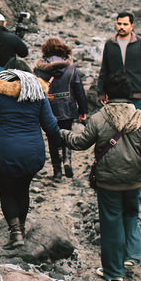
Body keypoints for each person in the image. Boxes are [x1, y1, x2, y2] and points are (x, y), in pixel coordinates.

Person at [62, 71, 141, 281]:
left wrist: (59, 133)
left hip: (108, 182)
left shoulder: (99, 118)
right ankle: (132, 255)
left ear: (106, 97)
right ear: (130, 96)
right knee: (130, 215)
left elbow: (80, 143)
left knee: (111, 223)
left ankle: (114, 271)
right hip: (134, 180)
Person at [0, 61, 61, 249]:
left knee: (7, 191)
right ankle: (20, 228)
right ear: (28, 72)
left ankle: (16, 233)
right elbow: (50, 125)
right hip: (32, 152)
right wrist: (63, 143)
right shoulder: (37, 92)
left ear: (7, 72)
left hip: (5, 151)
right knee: (23, 189)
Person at [34, 37, 88, 179]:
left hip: (48, 109)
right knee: (67, 136)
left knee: (52, 140)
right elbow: (79, 90)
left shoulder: (38, 70)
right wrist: (83, 110)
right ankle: (67, 160)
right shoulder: (71, 68)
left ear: (46, 51)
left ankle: (57, 171)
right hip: (68, 108)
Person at [96, 12, 141, 114]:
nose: (121, 27)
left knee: (138, 125)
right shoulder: (110, 44)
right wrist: (101, 92)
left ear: (131, 26)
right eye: (119, 24)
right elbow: (104, 70)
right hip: (115, 95)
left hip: (137, 93)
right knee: (116, 126)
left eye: (125, 24)